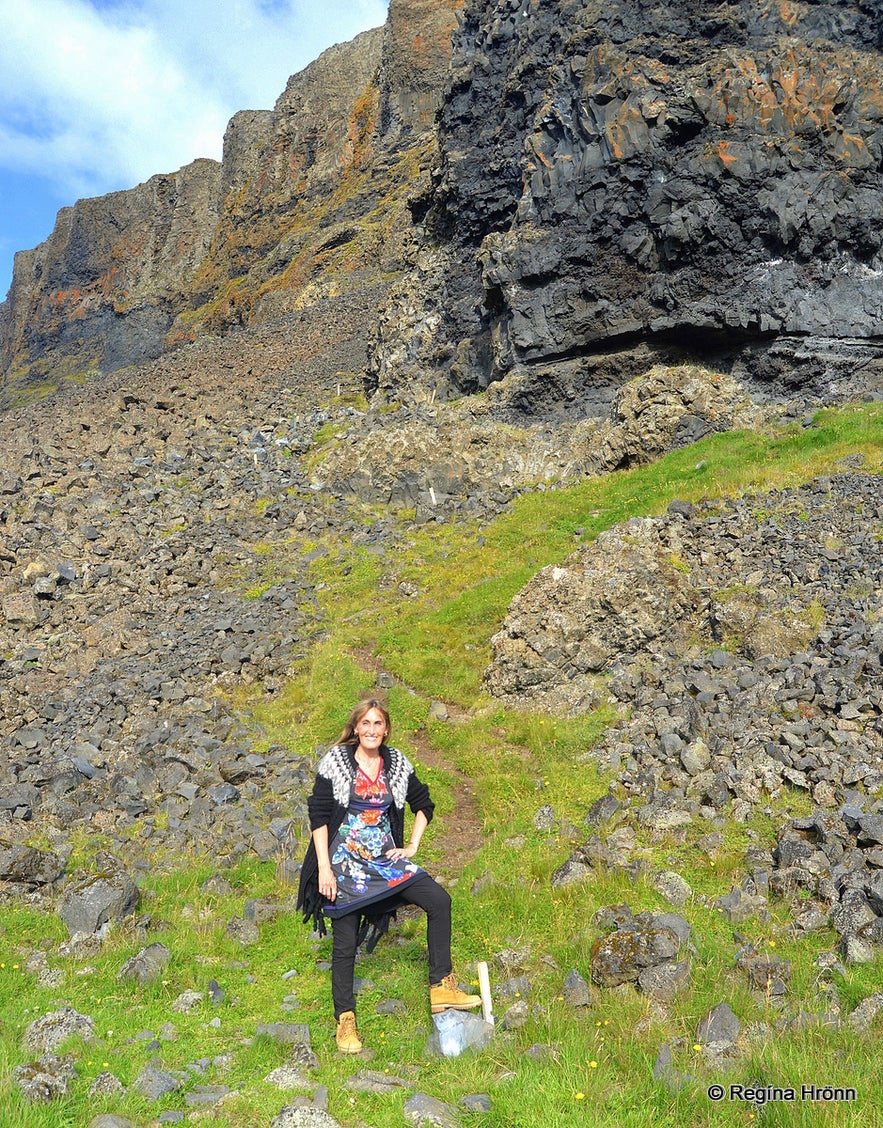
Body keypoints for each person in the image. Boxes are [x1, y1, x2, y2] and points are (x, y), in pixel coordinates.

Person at [297, 697, 481, 1053]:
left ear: (386, 729)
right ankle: (345, 1020)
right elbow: (318, 816)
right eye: (365, 724)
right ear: (355, 728)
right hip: (344, 863)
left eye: (377, 724)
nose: (371, 730)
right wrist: (324, 868)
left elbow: (423, 803)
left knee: (439, 900)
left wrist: (411, 844)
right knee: (345, 942)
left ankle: (442, 986)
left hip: (384, 859)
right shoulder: (336, 761)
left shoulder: (395, 763)